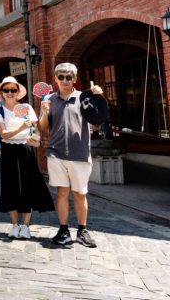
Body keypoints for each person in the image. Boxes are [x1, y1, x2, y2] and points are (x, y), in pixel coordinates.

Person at [38, 63, 104, 248]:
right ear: (55, 79)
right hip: (56, 153)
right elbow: (43, 128)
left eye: (69, 77)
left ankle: (82, 230)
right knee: (62, 192)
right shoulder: (49, 100)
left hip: (80, 153)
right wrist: (44, 112)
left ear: (74, 79)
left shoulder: (84, 98)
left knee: (80, 194)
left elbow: (98, 120)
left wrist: (98, 98)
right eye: (61, 77)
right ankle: (63, 229)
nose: (65, 80)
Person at [0, 76, 54, 240]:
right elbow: (4, 134)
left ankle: (26, 226)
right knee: (10, 187)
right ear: (2, 93)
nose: (10, 93)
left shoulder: (26, 108)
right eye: (6, 90)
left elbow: (34, 127)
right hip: (8, 150)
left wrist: (35, 139)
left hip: (25, 149)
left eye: (13, 90)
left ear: (18, 92)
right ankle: (14, 225)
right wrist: (21, 127)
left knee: (27, 186)